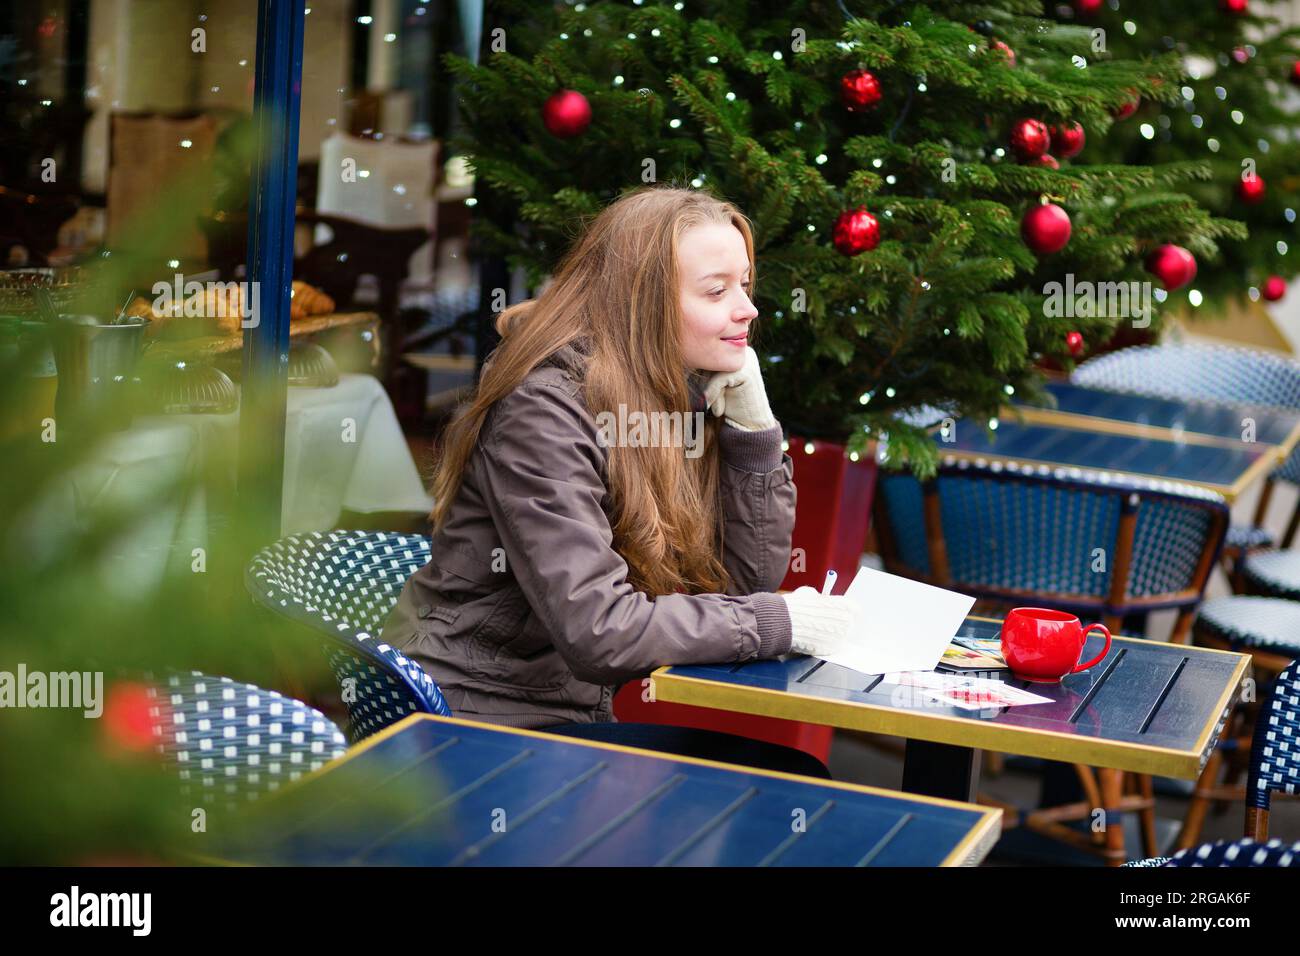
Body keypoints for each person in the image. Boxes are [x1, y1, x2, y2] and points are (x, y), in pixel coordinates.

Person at [382, 185, 860, 779]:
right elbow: (600, 630)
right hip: (478, 722)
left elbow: (745, 582)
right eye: (717, 290)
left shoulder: (673, 393)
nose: (747, 308)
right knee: (787, 783)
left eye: (746, 285)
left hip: (567, 712)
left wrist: (753, 431)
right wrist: (775, 622)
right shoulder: (545, 412)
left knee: (786, 777)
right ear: (643, 303)